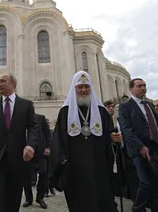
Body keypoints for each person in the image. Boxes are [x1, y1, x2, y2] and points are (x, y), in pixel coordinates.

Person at [49, 71, 117, 212]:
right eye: (80, 87)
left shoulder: (101, 111)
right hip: (75, 165)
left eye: (86, 87)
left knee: (102, 195)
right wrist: (61, 157)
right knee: (79, 199)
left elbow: (109, 132)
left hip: (98, 163)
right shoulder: (65, 111)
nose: (84, 90)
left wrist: (113, 137)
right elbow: (58, 137)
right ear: (74, 89)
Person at [0, 73, 38, 212]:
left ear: (13, 84)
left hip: (17, 159)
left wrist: (30, 145)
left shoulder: (26, 105)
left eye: (3, 81)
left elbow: (33, 127)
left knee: (14, 196)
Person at [119, 78, 158, 212]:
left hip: (155, 149)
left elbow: (157, 127)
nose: (143, 88)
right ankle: (138, 208)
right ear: (131, 89)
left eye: (144, 85)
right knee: (145, 182)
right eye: (139, 86)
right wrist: (140, 146)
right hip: (139, 150)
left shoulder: (149, 105)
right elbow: (126, 129)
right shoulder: (125, 106)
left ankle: (157, 208)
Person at [22, 113, 51, 209]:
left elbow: (47, 132)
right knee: (26, 176)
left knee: (43, 173)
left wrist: (48, 147)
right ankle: (28, 199)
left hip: (40, 151)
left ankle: (40, 198)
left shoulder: (40, 118)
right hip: (25, 152)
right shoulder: (20, 118)